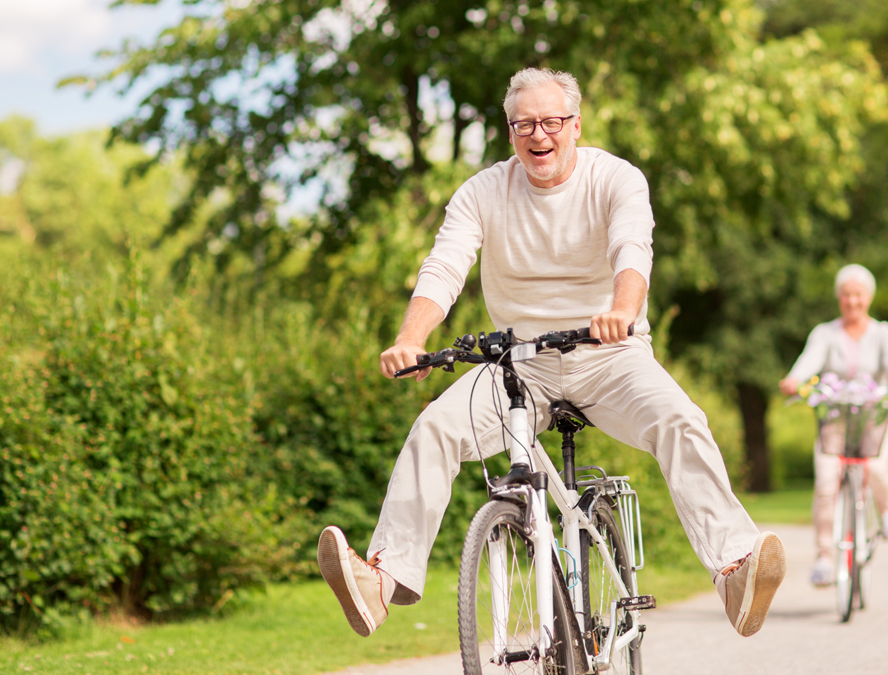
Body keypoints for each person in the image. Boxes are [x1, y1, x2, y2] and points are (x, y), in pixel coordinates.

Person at [317, 67, 786, 641]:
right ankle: (382, 580)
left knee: (680, 420)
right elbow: (445, 266)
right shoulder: (483, 191)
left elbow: (632, 249)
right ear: (510, 132)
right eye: (524, 125)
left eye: (551, 122)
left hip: (610, 355)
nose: (539, 135)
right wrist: (410, 338)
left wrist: (621, 310)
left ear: (575, 125)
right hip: (519, 365)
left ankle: (734, 570)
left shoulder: (615, 178)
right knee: (434, 428)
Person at [778, 263, 888, 587]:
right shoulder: (825, 333)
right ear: (838, 298)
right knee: (826, 483)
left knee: (876, 467)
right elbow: (808, 362)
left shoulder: (884, 333)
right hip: (835, 421)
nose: (852, 301)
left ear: (869, 297)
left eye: (858, 295)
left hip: (875, 419)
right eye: (846, 295)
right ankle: (824, 558)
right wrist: (794, 380)